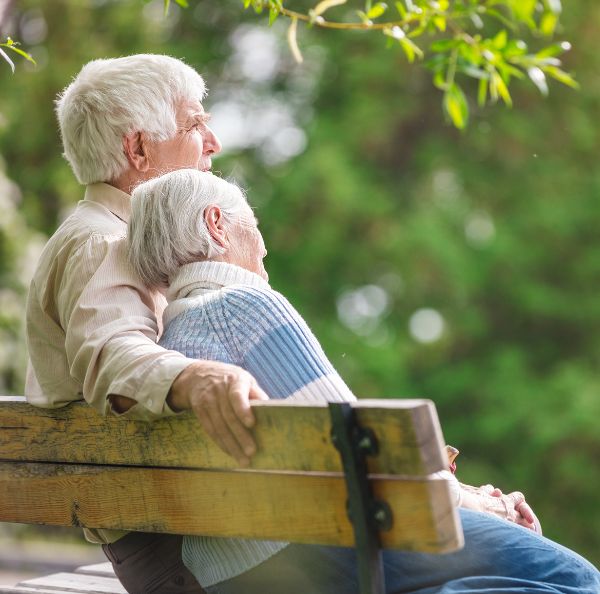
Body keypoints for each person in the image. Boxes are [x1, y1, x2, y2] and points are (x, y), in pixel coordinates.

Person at [126, 168, 600, 594]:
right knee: (576, 580)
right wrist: (482, 505)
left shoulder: (169, 341)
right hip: (315, 548)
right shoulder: (244, 307)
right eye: (254, 225)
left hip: (228, 573)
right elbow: (365, 458)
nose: (264, 245)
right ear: (217, 225)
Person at [25, 54, 269, 594]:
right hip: (178, 549)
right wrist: (196, 378)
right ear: (138, 149)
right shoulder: (104, 242)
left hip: (189, 525)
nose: (214, 142)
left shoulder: (125, 239)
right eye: (194, 123)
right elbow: (113, 354)